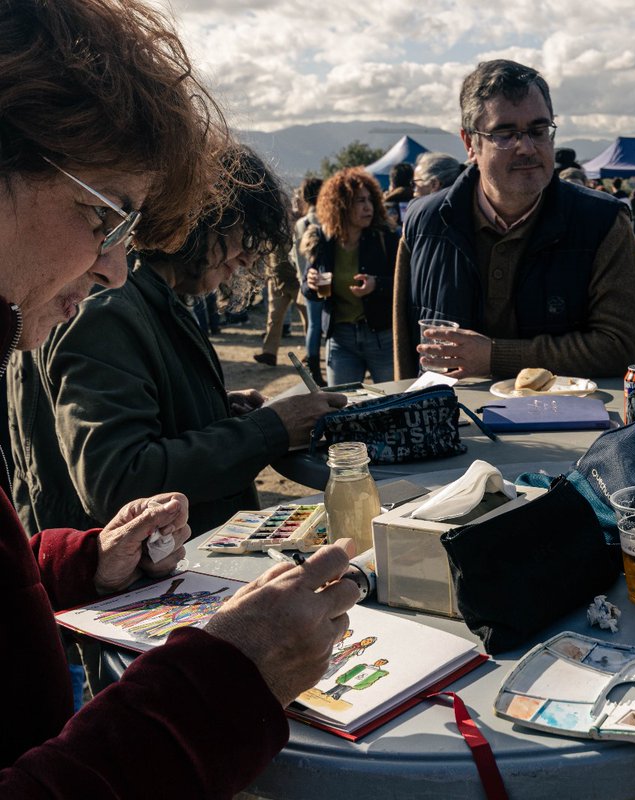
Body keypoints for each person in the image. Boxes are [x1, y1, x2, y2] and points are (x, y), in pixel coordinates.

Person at [0, 1, 358, 794]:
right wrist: (224, 683)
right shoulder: (109, 310)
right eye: (103, 215)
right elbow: (117, 471)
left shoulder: (134, 300)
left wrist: (78, 561)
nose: (114, 268)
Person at [9, 144, 348, 536]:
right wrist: (270, 428)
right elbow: (118, 480)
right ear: (204, 216)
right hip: (130, 585)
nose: (249, 257)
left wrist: (213, 410)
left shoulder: (151, 297)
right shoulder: (106, 310)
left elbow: (144, 413)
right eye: (245, 234)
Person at [392, 59, 635, 379]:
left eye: (539, 130)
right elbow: (405, 347)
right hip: (454, 422)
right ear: (470, 143)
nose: (526, 147)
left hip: (567, 424)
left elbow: (620, 347)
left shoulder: (603, 222)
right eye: (505, 133)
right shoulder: (424, 223)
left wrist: (496, 357)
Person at [301, 167, 399, 385]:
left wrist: (377, 285)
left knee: (394, 402)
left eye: (370, 200)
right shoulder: (323, 239)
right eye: (359, 201)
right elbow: (307, 288)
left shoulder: (386, 237)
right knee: (343, 406)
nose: (368, 207)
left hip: (382, 337)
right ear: (341, 205)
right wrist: (312, 284)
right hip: (341, 339)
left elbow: (406, 284)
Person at [293, 176, 325, 385]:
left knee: (313, 325)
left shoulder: (300, 223)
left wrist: (301, 278)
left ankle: (314, 370)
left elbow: (296, 255)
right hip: (327, 278)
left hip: (307, 280)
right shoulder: (328, 219)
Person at [252, 244, 300, 367]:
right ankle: (269, 353)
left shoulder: (297, 226)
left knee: (308, 320)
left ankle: (312, 355)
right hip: (276, 279)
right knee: (274, 318)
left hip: (297, 280)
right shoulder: (271, 229)